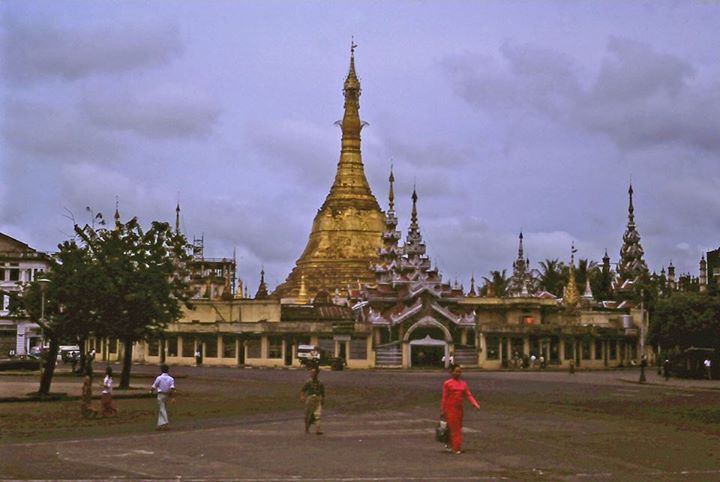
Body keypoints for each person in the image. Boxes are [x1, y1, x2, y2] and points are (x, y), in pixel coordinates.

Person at [441, 364, 480, 454]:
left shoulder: (463, 384)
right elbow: (444, 397)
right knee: (455, 429)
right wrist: (442, 410)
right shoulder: (447, 383)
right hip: (450, 409)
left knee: (457, 427)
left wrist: (475, 404)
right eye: (456, 371)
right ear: (451, 372)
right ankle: (456, 447)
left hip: (459, 409)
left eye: (459, 371)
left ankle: (451, 444)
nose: (458, 373)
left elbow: (468, 395)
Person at [300, 366, 325, 435]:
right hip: (310, 398)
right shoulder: (308, 382)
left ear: (317, 374)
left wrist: (322, 400)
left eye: (314, 373)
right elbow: (303, 390)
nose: (312, 374)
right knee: (308, 414)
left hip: (318, 398)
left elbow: (322, 393)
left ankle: (318, 429)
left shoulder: (320, 383)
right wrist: (302, 397)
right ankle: (307, 429)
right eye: (311, 373)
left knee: (318, 415)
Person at [150, 364, 175, 430]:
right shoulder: (171, 379)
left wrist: (151, 391)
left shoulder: (159, 378)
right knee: (162, 408)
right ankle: (160, 424)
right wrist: (172, 397)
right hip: (167, 395)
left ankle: (166, 422)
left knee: (162, 409)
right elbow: (172, 388)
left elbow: (154, 386)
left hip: (160, 395)